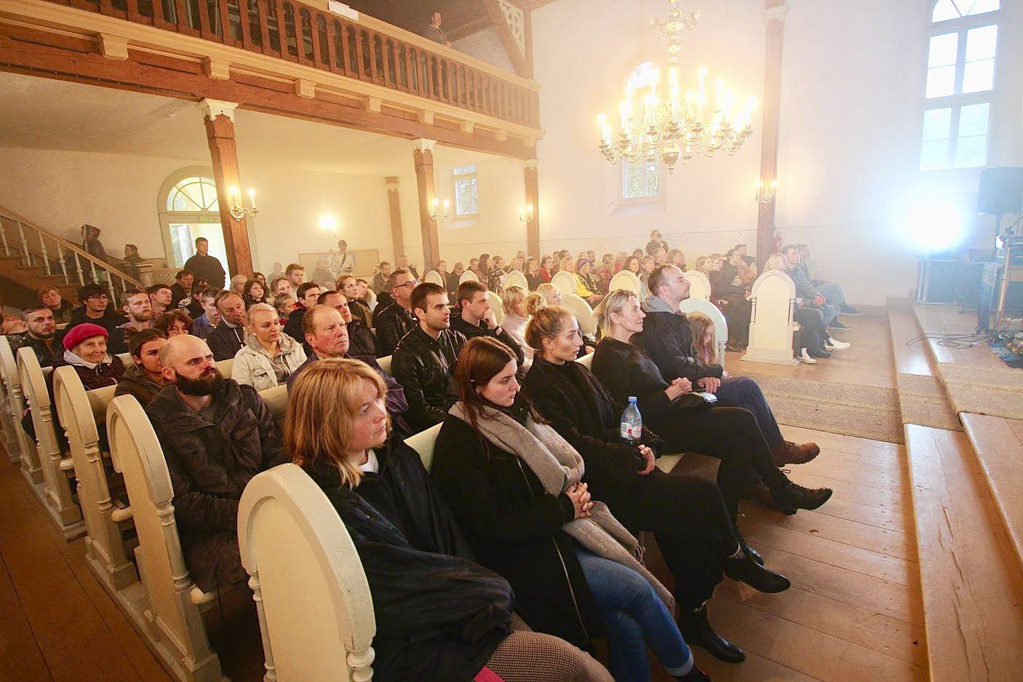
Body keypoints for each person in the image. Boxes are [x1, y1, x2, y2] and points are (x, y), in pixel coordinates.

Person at [288, 360, 612, 682]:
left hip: (463, 599)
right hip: (415, 639)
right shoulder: (323, 500)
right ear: (327, 423)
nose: (380, 413)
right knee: (573, 667)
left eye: (378, 399)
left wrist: (485, 595)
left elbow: (447, 532)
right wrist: (486, 592)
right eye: (363, 410)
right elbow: (393, 586)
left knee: (580, 659)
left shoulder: (398, 457)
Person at [432, 337, 711, 682]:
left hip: (565, 531)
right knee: (636, 590)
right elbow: (492, 523)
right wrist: (565, 508)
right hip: (527, 556)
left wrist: (573, 500)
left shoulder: (517, 412)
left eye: (515, 376)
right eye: (504, 381)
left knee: (626, 626)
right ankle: (687, 672)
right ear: (474, 386)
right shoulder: (459, 441)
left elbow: (564, 460)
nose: (516, 387)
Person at [522, 307, 792, 662]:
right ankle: (729, 560)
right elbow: (575, 445)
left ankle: (697, 609)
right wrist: (634, 455)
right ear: (546, 342)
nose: (579, 341)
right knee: (700, 497)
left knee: (688, 520)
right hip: (597, 484)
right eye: (571, 335)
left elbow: (621, 410)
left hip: (622, 462)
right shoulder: (540, 386)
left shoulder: (574, 369)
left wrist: (646, 442)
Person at [592, 290, 833, 517]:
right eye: (634, 310)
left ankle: (728, 520)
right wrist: (672, 393)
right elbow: (627, 414)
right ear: (615, 316)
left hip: (670, 414)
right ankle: (783, 488)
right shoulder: (609, 356)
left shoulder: (631, 346)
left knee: (739, 443)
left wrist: (673, 386)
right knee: (742, 417)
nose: (642, 314)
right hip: (658, 429)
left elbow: (645, 388)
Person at [639, 264, 826, 464]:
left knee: (747, 408)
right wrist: (715, 370)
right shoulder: (658, 323)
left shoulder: (674, 315)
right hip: (679, 394)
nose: (688, 282)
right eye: (680, 279)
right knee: (747, 386)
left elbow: (691, 355)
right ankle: (777, 449)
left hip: (692, 381)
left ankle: (762, 467)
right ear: (664, 290)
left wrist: (704, 374)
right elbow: (678, 367)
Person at [146, 335, 287, 592]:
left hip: (268, 503)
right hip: (212, 532)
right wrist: (251, 514)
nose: (208, 365)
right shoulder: (158, 422)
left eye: (209, 357)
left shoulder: (243, 397)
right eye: (194, 361)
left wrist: (273, 503)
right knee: (277, 559)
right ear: (168, 373)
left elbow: (277, 452)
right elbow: (183, 501)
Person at [288, 306, 409, 430]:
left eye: (342, 325)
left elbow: (398, 398)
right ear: (311, 339)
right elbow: (320, 426)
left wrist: (366, 413)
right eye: (330, 328)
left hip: (390, 434)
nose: (341, 332)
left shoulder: (365, 362)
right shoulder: (302, 379)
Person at [391, 283, 465, 433]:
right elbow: (418, 411)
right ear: (420, 313)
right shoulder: (406, 353)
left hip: (463, 412)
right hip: (438, 427)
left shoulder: (457, 338)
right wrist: (462, 418)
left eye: (446, 305)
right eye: (439, 307)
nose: (447, 311)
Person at [232, 303, 306, 391]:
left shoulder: (295, 347)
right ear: (252, 328)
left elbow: (308, 378)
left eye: (276, 323)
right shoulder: (243, 357)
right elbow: (245, 395)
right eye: (266, 325)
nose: (274, 328)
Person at [450, 280, 525, 367]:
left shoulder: (487, 326)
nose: (488, 306)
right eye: (482, 301)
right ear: (465, 304)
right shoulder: (455, 334)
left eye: (487, 301)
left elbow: (519, 358)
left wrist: (496, 327)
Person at [796, 244, 860, 316]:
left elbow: (807, 281)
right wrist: (819, 284)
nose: (808, 252)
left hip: (810, 287)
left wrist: (821, 282)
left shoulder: (803, 263)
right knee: (835, 286)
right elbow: (805, 284)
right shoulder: (798, 265)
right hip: (807, 292)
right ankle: (843, 306)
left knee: (834, 295)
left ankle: (834, 319)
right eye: (805, 250)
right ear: (799, 252)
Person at [57, 323, 126, 390]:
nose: (98, 350)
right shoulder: (64, 374)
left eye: (101, 343)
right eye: (90, 344)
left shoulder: (115, 363)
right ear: (74, 349)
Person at [115, 328, 168, 407]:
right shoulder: (127, 390)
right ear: (137, 359)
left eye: (165, 351)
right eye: (153, 353)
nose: (161, 357)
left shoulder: (180, 376)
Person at [318, 290, 375, 359]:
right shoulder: (323, 338)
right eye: (338, 307)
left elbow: (381, 354)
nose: (345, 309)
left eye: (345, 305)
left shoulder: (361, 329)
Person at [373, 269, 418, 357]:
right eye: (408, 284)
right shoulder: (385, 318)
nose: (415, 287)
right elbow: (395, 351)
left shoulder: (422, 311)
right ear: (396, 291)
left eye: (415, 282)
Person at [108, 289, 154, 355]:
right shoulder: (119, 335)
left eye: (147, 302)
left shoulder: (161, 327)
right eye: (138, 303)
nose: (145, 305)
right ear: (126, 309)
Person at [206, 290, 247, 361]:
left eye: (239, 306)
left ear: (243, 303)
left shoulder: (257, 325)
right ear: (220, 312)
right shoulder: (216, 338)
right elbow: (228, 366)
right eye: (230, 310)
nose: (237, 312)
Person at [500, 286, 533, 371]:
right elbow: (521, 361)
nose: (526, 304)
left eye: (526, 299)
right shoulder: (508, 327)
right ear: (510, 306)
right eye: (520, 301)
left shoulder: (531, 318)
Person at [282, 282, 321, 348]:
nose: (317, 298)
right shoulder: (296, 321)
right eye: (312, 295)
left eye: (319, 295)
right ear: (302, 300)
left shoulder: (324, 315)